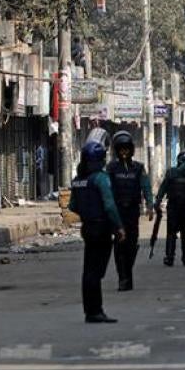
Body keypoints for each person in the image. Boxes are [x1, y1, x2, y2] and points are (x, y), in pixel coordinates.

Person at [68, 141, 125, 323]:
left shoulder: (78, 180)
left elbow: (72, 206)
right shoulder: (100, 178)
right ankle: (95, 311)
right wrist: (119, 226)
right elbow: (109, 205)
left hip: (87, 227)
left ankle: (90, 310)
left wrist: (87, 213)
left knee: (89, 270)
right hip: (101, 228)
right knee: (96, 272)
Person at [106, 131, 153, 292]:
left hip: (133, 211)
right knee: (120, 244)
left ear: (131, 150)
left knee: (132, 244)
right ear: (117, 151)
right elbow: (106, 190)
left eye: (126, 149)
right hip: (117, 212)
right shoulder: (111, 168)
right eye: (121, 149)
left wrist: (150, 205)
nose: (124, 152)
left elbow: (146, 187)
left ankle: (127, 272)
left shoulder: (138, 168)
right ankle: (123, 278)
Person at [153, 150, 185, 267]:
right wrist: (158, 201)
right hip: (174, 207)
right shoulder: (172, 172)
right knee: (172, 233)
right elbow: (163, 187)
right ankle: (170, 257)